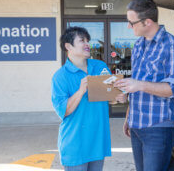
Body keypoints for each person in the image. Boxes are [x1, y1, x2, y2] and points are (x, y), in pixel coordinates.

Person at [114, 0, 174, 171]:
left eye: (131, 22)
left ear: (147, 22)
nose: (128, 26)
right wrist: (128, 116)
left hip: (158, 128)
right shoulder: (138, 45)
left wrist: (139, 84)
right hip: (136, 124)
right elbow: (135, 83)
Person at [51, 26, 126, 171]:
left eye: (88, 41)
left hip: (97, 140)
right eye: (82, 41)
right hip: (75, 144)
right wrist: (80, 91)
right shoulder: (60, 76)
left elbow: (110, 98)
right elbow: (64, 111)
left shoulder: (100, 66)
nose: (87, 44)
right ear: (68, 46)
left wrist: (118, 97)